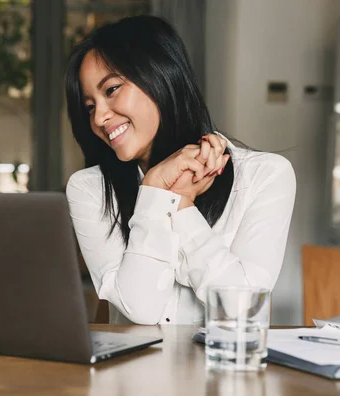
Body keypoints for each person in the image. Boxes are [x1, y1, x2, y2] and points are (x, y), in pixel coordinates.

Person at [64, 15, 296, 325]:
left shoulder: (264, 176)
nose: (99, 118)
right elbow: (141, 311)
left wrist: (182, 205)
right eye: (90, 105)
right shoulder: (88, 189)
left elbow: (242, 310)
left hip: (223, 371)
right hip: (132, 373)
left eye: (111, 90)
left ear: (161, 77)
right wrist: (155, 190)